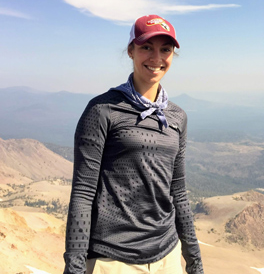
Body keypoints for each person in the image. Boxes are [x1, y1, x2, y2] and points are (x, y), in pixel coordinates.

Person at [63, 14, 204, 274]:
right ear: (131, 51)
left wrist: (194, 262)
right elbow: (83, 193)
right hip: (114, 260)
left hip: (167, 257)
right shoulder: (102, 109)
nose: (156, 58)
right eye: (146, 47)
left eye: (165, 49)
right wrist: (74, 267)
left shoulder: (177, 117)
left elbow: (178, 192)